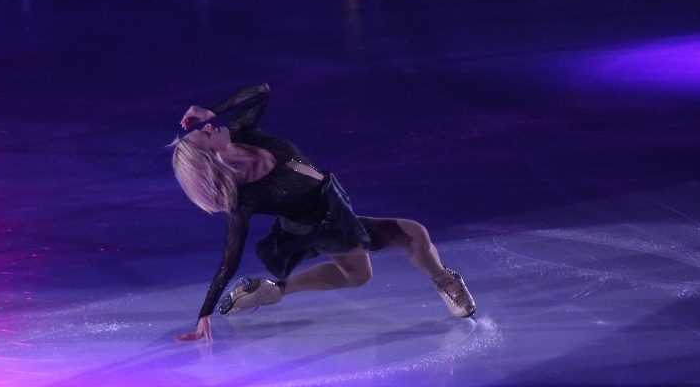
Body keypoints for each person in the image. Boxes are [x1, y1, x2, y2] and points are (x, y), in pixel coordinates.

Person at [172, 83, 475, 342]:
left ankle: (271, 291)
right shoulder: (244, 199)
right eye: (206, 135)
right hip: (324, 226)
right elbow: (229, 260)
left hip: (334, 202)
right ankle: (444, 280)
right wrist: (204, 314)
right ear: (215, 161)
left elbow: (261, 92)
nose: (209, 127)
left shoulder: (242, 132)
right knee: (414, 235)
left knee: (358, 277)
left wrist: (211, 109)